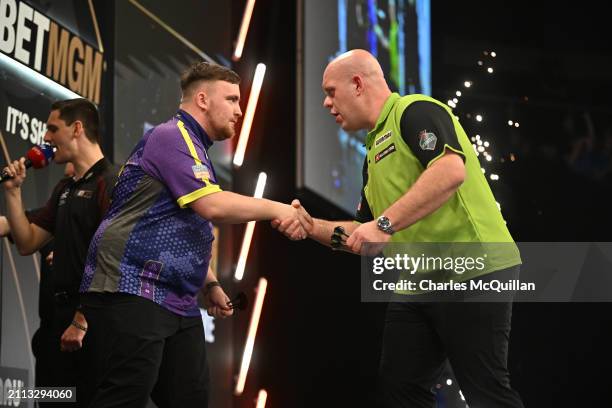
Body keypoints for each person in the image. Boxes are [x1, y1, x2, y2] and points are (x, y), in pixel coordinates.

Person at [274, 49, 524, 407]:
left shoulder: (414, 110)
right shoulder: (373, 151)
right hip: (419, 283)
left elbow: (450, 170)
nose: (326, 103)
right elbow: (364, 235)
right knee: (400, 391)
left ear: (358, 83)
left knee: (486, 391)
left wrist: (385, 224)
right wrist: (311, 226)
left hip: (474, 269)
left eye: (331, 91)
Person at [77, 61, 309, 408]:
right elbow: (211, 206)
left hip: (176, 300)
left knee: (191, 399)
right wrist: (279, 209)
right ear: (202, 99)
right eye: (231, 99)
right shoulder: (171, 136)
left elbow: (186, 224)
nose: (239, 110)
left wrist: (210, 283)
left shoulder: (195, 148)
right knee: (125, 397)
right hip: (133, 286)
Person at [2, 99, 117, 407]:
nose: (47, 138)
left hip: (92, 324)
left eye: (53, 128)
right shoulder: (64, 189)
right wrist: (13, 191)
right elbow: (26, 243)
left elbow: (114, 258)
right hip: (57, 322)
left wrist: (81, 320)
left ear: (77, 128)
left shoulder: (113, 182)